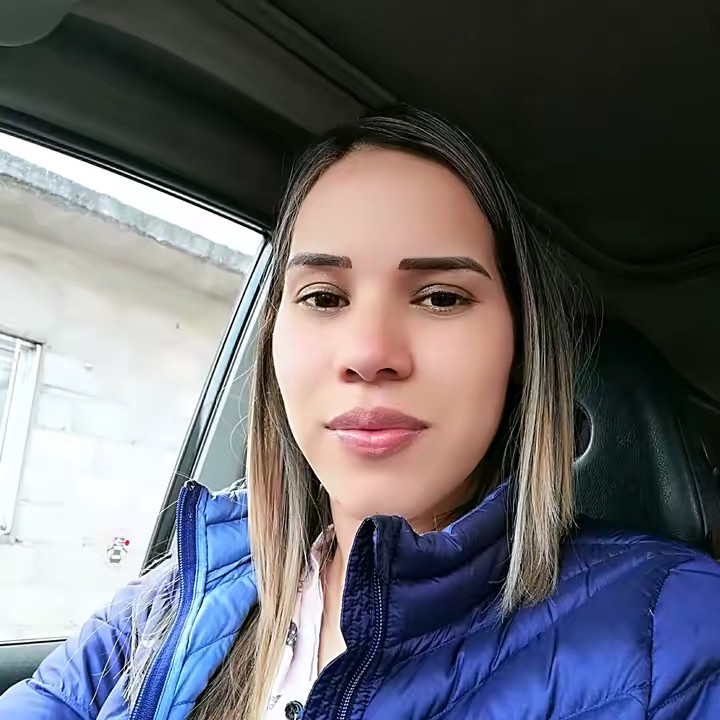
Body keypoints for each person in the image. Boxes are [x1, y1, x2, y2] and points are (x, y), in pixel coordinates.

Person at [2, 105, 720, 720]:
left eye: (440, 297)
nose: (370, 353)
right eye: (323, 297)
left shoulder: (681, 627)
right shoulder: (174, 597)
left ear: (520, 352)